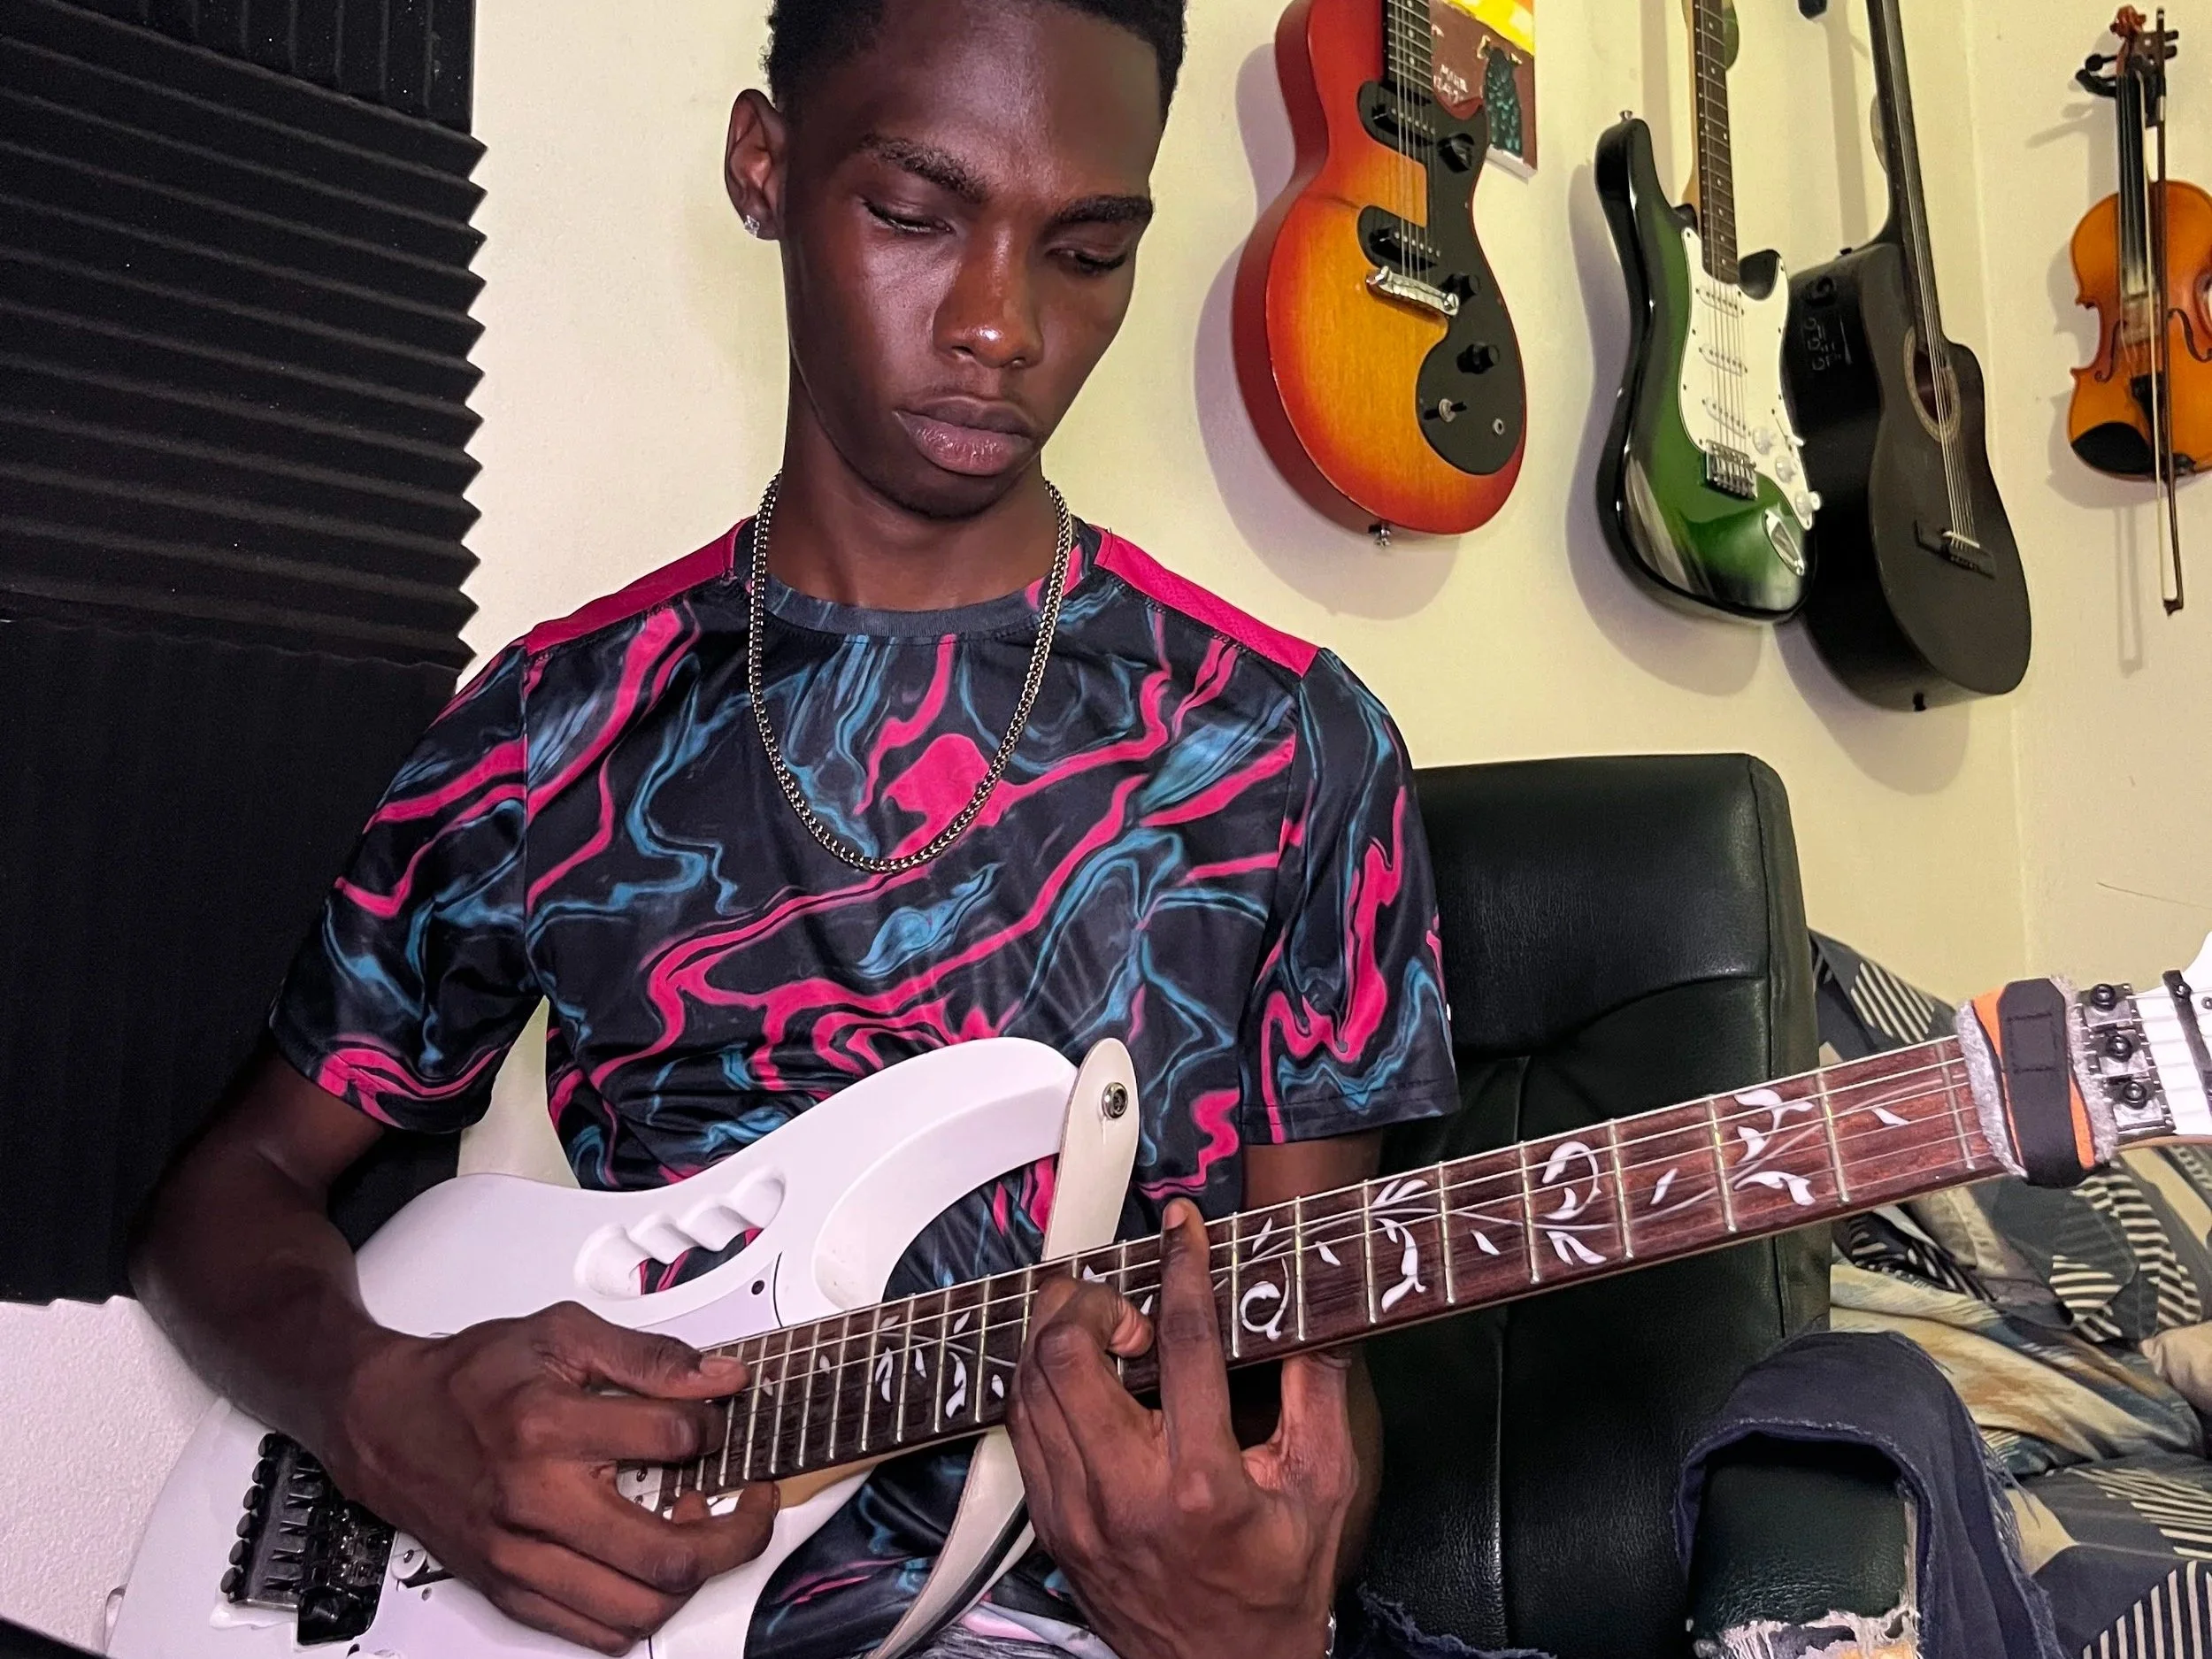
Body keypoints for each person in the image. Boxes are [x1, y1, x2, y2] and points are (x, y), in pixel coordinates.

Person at [128, 2, 1459, 1656]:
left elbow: (1316, 1370)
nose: (1001, 325)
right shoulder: (564, 722)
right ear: (765, 167)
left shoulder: (1292, 751)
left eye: (1088, 249)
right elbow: (230, 1194)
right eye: (914, 214)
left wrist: (1262, 1617)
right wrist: (382, 1406)